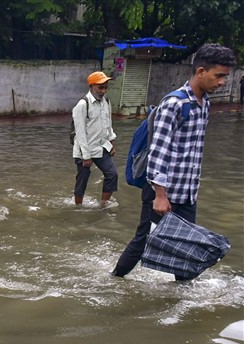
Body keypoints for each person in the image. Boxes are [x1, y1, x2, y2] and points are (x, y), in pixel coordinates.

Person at [112, 43, 236, 280]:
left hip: (187, 192)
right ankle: (114, 280)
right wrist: (160, 194)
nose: (222, 82)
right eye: (218, 75)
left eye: (225, 77)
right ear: (201, 72)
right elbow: (159, 151)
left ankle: (180, 304)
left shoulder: (204, 104)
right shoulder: (175, 104)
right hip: (163, 193)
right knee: (143, 241)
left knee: (186, 248)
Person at [72, 71, 118, 207]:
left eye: (105, 87)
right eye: (100, 87)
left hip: (102, 146)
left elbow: (108, 124)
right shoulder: (82, 105)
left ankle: (103, 205)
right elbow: (80, 133)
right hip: (85, 148)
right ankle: (78, 207)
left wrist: (111, 142)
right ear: (91, 86)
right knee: (82, 179)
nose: (103, 91)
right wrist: (86, 156)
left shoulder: (106, 102)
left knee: (112, 174)